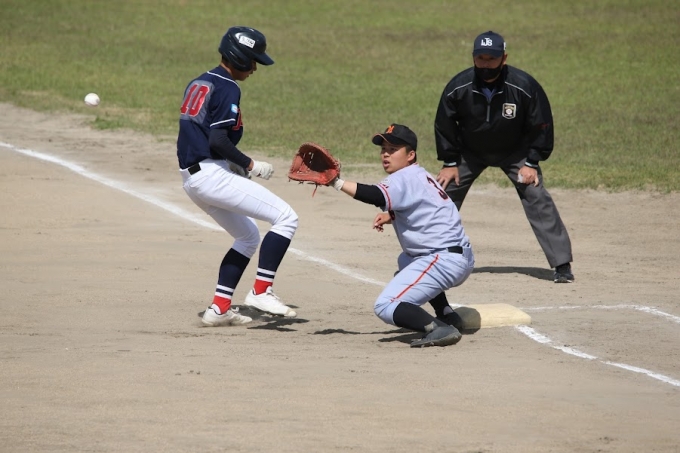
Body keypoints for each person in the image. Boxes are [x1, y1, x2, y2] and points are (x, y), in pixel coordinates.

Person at [177, 26, 298, 327]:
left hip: (193, 178)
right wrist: (250, 164)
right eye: (253, 61)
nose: (255, 68)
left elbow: (198, 135)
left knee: (248, 236)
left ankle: (219, 309)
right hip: (209, 176)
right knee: (286, 217)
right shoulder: (228, 87)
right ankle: (261, 291)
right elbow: (217, 139)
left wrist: (230, 165)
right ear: (239, 58)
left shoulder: (201, 80)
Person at [434, 30, 574, 285]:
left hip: (515, 152)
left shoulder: (524, 86)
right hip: (470, 152)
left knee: (536, 195)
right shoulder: (459, 87)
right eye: (481, 58)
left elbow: (542, 124)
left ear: (504, 58)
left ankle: (562, 264)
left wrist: (532, 162)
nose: (485, 64)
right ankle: (428, 256)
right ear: (473, 57)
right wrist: (450, 162)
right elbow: (444, 124)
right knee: (442, 195)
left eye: (492, 59)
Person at [328, 124, 475, 347]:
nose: (386, 154)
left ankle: (440, 329)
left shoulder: (404, 177)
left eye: (393, 149)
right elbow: (426, 207)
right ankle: (446, 313)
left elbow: (376, 195)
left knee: (386, 305)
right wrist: (391, 215)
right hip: (459, 257)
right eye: (383, 149)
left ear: (410, 155)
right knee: (406, 260)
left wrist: (336, 182)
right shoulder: (419, 174)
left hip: (443, 261)